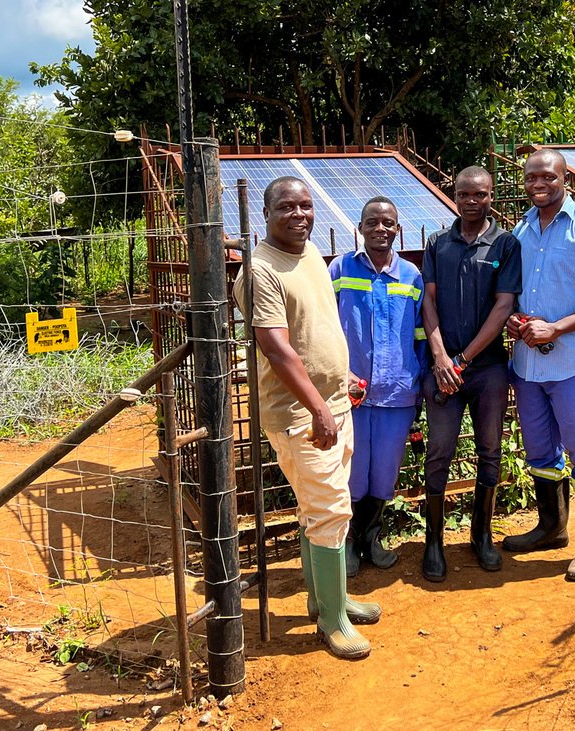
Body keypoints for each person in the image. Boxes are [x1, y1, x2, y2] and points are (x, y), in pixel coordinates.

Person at [234, 176, 380, 659]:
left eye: (306, 206)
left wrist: (345, 377)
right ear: (266, 213)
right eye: (287, 208)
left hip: (334, 404)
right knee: (333, 511)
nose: (299, 215)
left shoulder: (311, 253)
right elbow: (277, 349)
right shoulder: (259, 272)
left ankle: (325, 600)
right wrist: (319, 408)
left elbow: (320, 326)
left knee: (318, 511)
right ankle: (334, 622)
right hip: (302, 414)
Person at [504, 148, 575, 582]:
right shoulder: (520, 230)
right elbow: (514, 292)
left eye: (547, 177)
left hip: (573, 366)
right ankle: (552, 527)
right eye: (531, 177)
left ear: (564, 179)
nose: (538, 184)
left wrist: (555, 329)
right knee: (539, 451)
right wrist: (517, 320)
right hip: (528, 366)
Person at [420, 166, 521, 582]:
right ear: (455, 196)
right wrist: (442, 357)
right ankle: (433, 543)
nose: (471, 202)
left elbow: (503, 307)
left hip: (488, 370)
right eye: (464, 195)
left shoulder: (505, 243)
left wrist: (463, 360)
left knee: (490, 451)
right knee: (439, 450)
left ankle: (482, 536)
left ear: (490, 196)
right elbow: (428, 300)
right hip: (443, 370)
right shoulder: (437, 243)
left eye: (480, 195)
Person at [326, 196, 426, 577]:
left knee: (384, 472)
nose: (380, 229)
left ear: (397, 229)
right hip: (350, 394)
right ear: (360, 227)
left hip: (398, 392)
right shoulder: (340, 268)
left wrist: (417, 376)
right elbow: (327, 327)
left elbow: (420, 332)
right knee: (351, 472)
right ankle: (348, 541)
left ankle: (371, 536)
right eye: (372, 222)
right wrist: (339, 374)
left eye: (388, 223)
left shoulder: (412, 276)